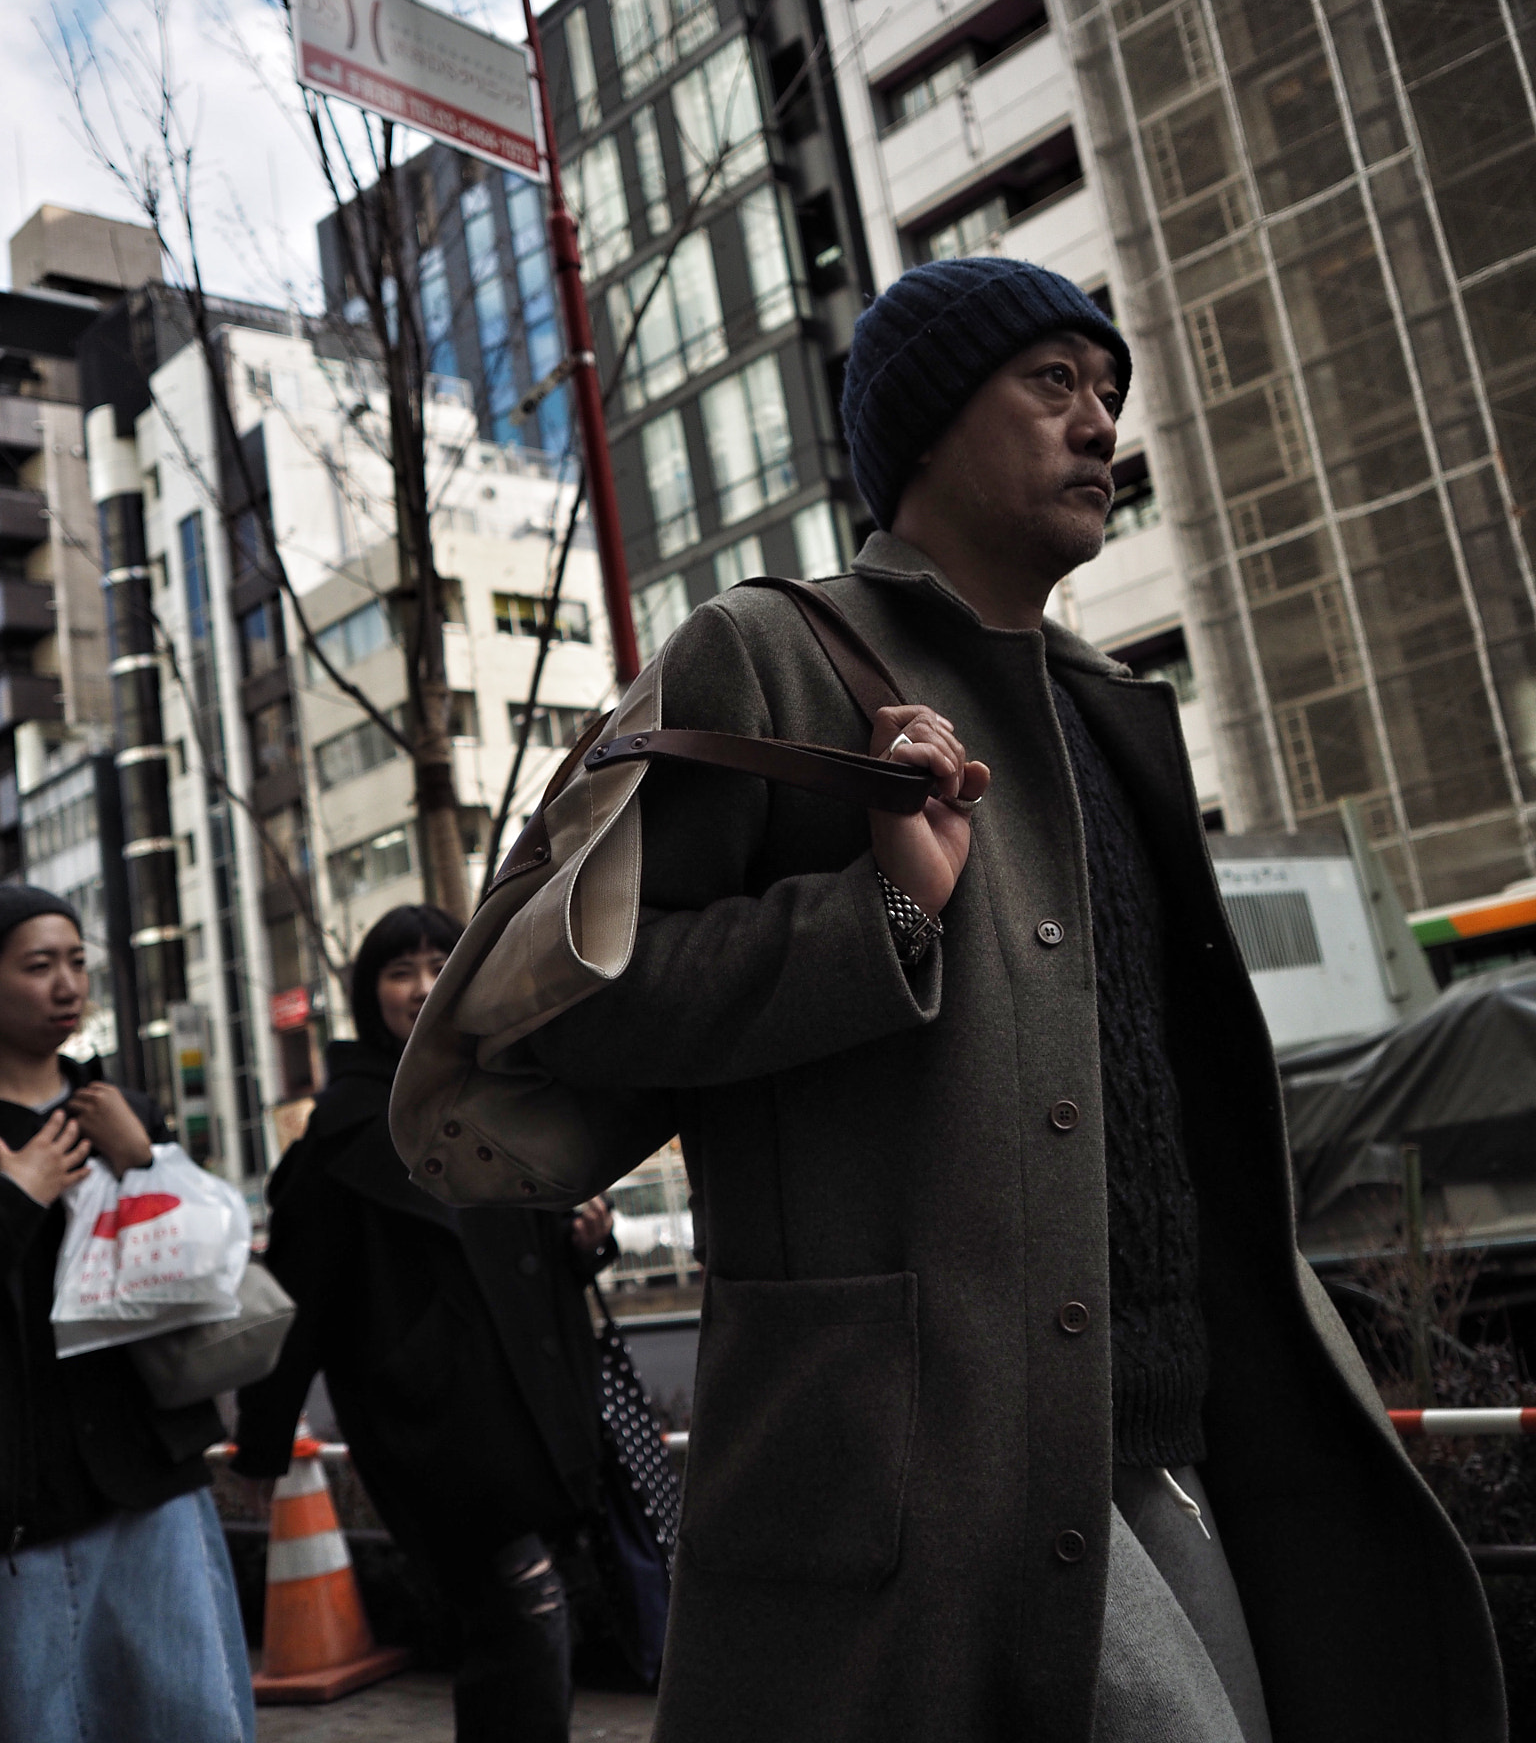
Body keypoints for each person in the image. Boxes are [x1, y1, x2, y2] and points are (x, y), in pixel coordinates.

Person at [518, 257, 1504, 1742]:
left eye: (1108, 392)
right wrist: (883, 913)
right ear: (924, 425)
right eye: (1052, 383)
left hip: (1168, 1428)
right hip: (940, 1465)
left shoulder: (1106, 708)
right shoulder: (768, 653)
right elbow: (560, 1002)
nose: (1100, 423)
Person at [233, 904, 615, 1743]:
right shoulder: (343, 1133)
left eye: (443, 963)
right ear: (369, 996)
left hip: (533, 1406)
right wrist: (261, 1441)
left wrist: (587, 1241)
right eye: (399, 970)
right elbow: (298, 1298)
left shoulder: (506, 1093)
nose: (423, 986)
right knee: (524, 1612)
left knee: (524, 1623)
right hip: (437, 1425)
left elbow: (528, 1255)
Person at [0, 884, 254, 1743]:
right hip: (27, 1494)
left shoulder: (120, 1110)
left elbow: (207, 1263)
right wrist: (17, 1197)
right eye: (38, 966)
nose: (66, 984)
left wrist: (144, 1158)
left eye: (76, 962)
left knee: (188, 1715)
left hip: (150, 1470)